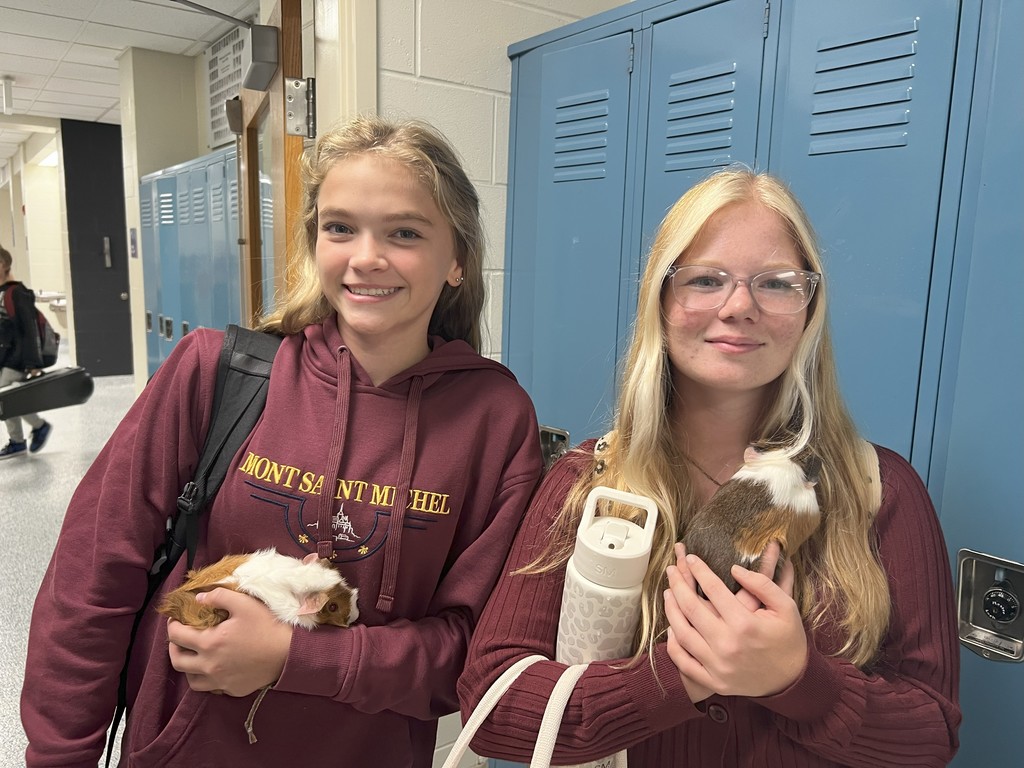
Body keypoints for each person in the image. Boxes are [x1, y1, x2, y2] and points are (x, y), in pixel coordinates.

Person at [21, 114, 544, 767]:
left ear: (458, 259)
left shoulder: (493, 417)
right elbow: (91, 582)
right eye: (340, 228)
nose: (366, 257)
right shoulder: (217, 373)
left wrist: (293, 658)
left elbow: (470, 653)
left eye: (404, 232)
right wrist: (59, 754)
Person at [457, 168, 961, 767]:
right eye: (705, 279)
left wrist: (798, 680)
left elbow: (931, 734)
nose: (739, 306)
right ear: (662, 301)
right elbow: (492, 708)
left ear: (809, 308)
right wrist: (681, 674)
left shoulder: (879, 490)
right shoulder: (587, 483)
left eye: (775, 283)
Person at [0, 244, 53, 459]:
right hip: (6, 358)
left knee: (5, 399)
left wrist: (33, 364)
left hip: (18, 359)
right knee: (7, 399)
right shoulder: (3, 293)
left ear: (2, 265)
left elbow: (30, 331)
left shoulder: (18, 293)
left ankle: (36, 427)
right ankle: (18, 440)